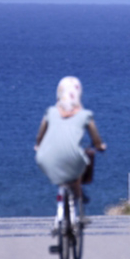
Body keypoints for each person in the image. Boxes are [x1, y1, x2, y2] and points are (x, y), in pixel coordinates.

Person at [34, 76, 106, 205]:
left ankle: (62, 198)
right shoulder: (85, 115)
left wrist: (38, 145)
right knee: (78, 166)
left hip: (46, 157)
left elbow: (40, 136)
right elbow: (95, 138)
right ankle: (78, 196)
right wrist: (100, 146)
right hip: (73, 157)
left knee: (59, 168)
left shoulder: (50, 112)